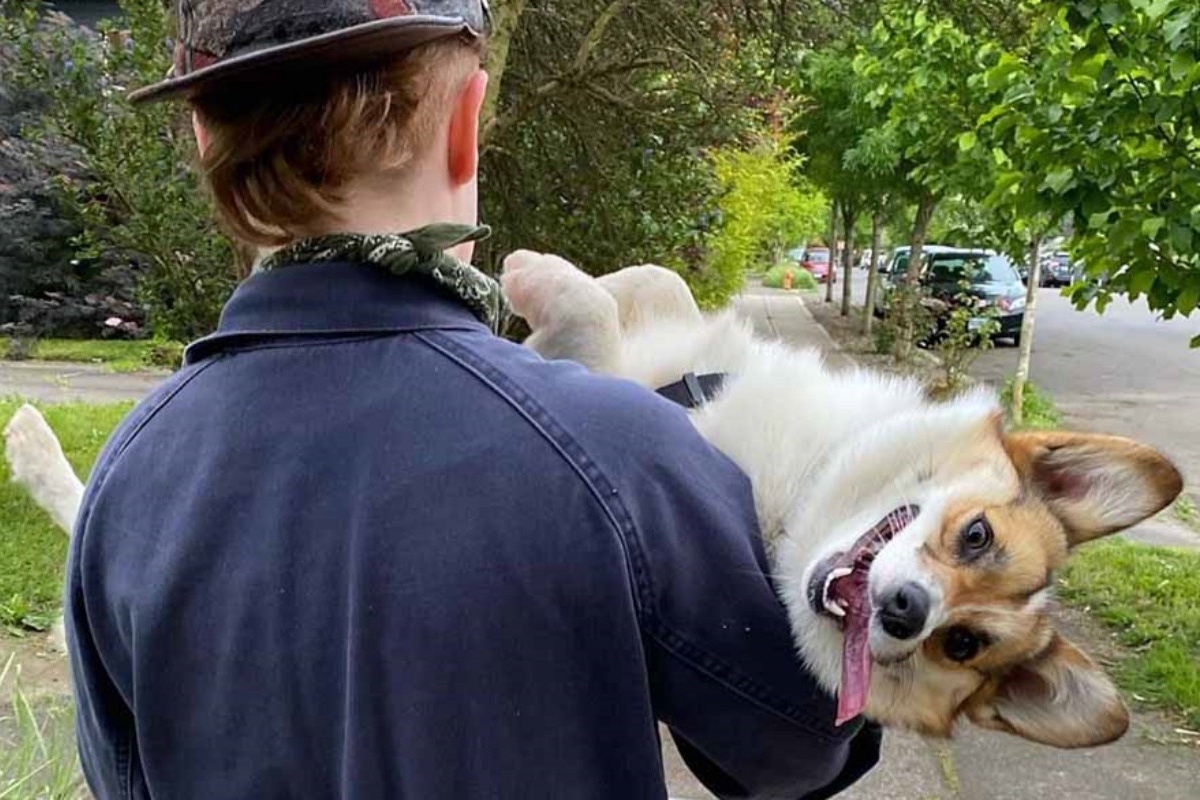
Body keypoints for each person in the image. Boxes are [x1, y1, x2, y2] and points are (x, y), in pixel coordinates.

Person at [65, 1, 882, 798]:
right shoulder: (622, 452)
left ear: (206, 138)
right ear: (464, 123)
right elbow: (800, 746)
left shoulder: (127, 482)